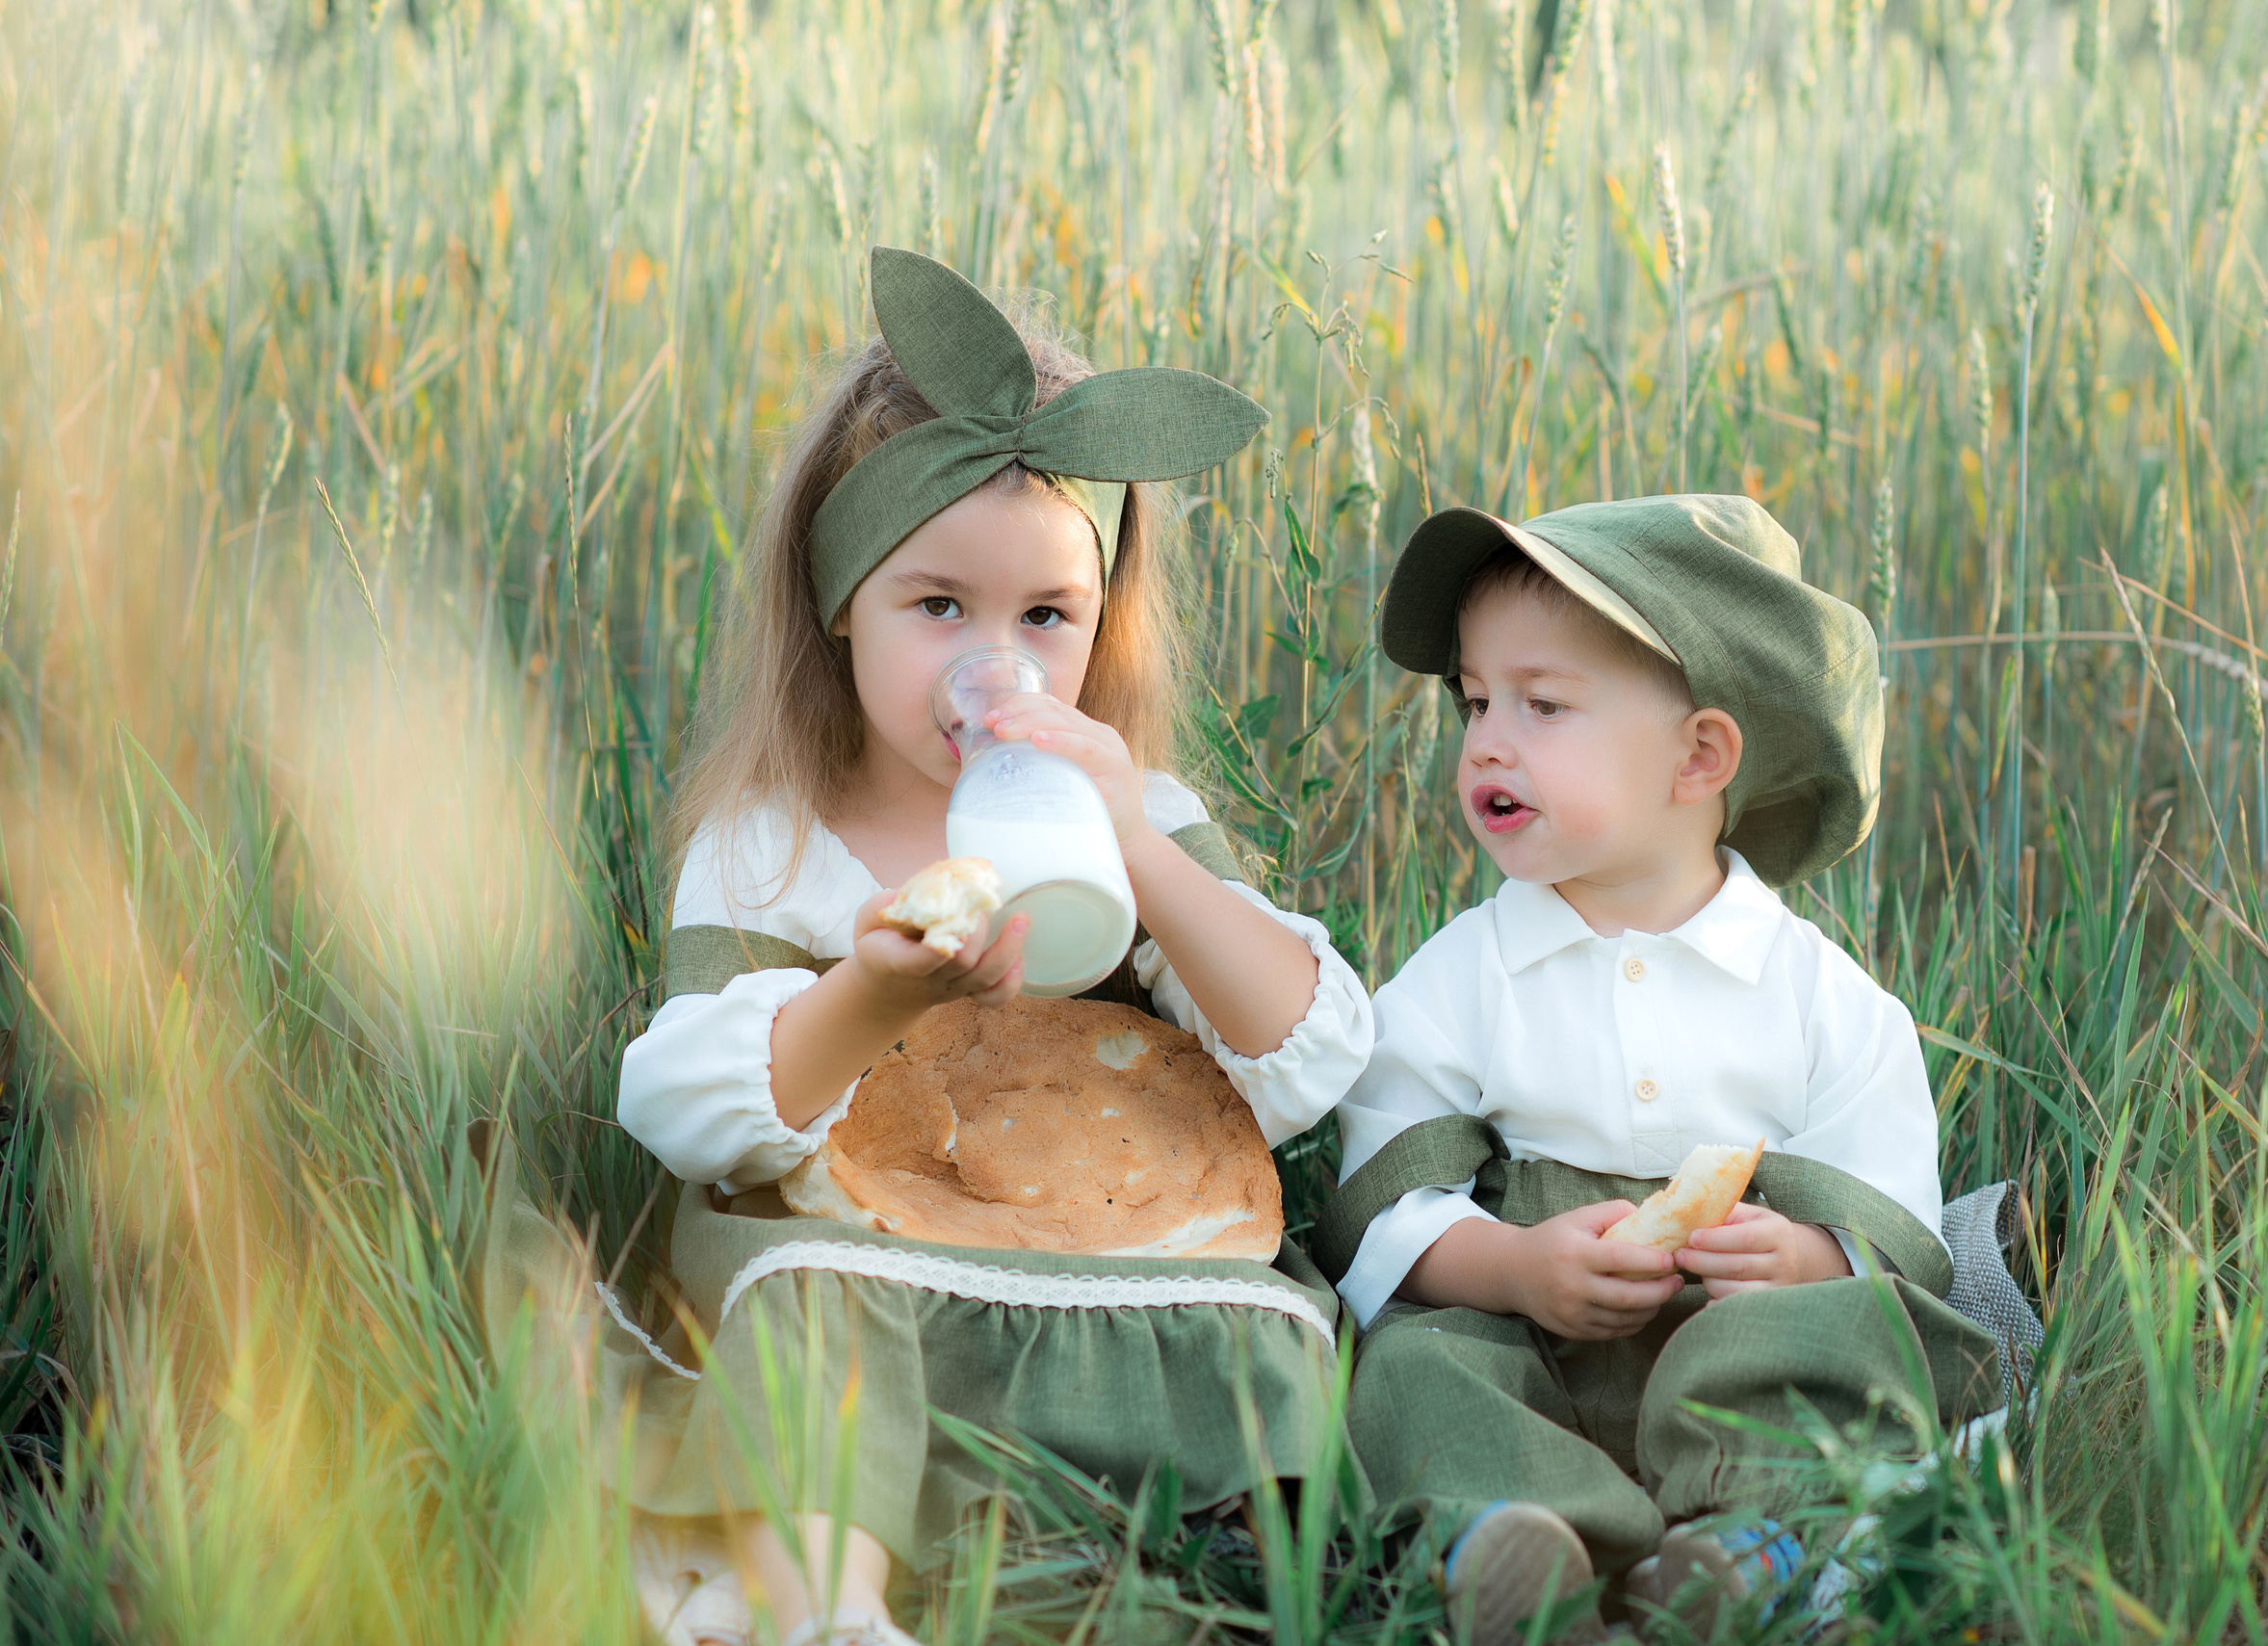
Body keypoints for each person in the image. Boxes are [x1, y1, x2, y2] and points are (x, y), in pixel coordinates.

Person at [605, 247, 1373, 1646]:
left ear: (1100, 623)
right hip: (870, 1280)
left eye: (1046, 617)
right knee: (806, 1318)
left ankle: (1222, 1584)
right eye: (938, 606)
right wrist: (870, 990)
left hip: (1108, 1271)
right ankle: (830, 1606)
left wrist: (1140, 845)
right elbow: (684, 1113)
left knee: (1273, 1322)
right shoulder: (775, 843)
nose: (992, 659)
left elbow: (1297, 1060)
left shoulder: (1136, 820)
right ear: (843, 604)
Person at [1320, 496, 1999, 1643]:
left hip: (1731, 1324)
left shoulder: (1817, 993)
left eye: (1542, 704)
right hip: (1534, 1333)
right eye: (1477, 701)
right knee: (1411, 1368)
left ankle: (1741, 1540)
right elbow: (1385, 1181)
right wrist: (1511, 1264)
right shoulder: (1467, 971)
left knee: (1845, 1340)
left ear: (1698, 755)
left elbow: (1889, 1203)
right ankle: (1522, 1538)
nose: (1486, 739)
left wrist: (1808, 1255)